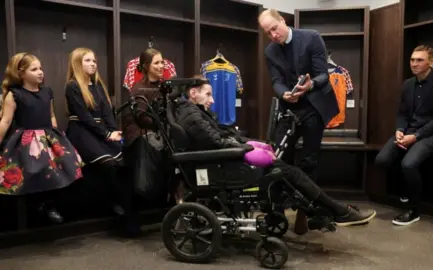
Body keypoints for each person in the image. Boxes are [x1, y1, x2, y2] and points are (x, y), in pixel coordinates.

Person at [175, 76, 376, 229]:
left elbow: (222, 135)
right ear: (193, 93)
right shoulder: (192, 116)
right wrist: (248, 148)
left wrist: (251, 143)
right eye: (208, 94)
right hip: (219, 166)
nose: (212, 99)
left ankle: (328, 210)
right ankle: (337, 211)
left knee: (287, 173)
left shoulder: (195, 112)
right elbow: (218, 141)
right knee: (289, 173)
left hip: (223, 161)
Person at [258, 8, 340, 234]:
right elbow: (276, 81)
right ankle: (277, 212)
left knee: (309, 161)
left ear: (282, 21)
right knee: (278, 157)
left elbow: (323, 75)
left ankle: (305, 213)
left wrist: (309, 85)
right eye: (268, 32)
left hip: (314, 105)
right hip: (289, 106)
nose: (273, 35)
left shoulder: (311, 37)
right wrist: (284, 93)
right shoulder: (270, 51)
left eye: (274, 28)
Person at [375, 45, 433, 226]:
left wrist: (416, 136)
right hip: (410, 131)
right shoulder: (407, 84)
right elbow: (402, 113)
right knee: (382, 160)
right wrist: (400, 130)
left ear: (431, 62)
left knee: (409, 164)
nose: (414, 63)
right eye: (412, 60)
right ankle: (405, 190)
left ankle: (414, 210)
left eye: (419, 60)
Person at [0, 52, 83, 224]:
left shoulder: (47, 92)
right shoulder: (15, 94)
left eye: (40, 68)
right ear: (21, 73)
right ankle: (38, 205)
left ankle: (50, 204)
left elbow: (51, 115)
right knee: (35, 168)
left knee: (65, 163)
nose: (40, 72)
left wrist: (56, 136)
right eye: (34, 69)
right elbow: (6, 121)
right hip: (26, 140)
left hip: (48, 136)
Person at [64, 47, 134, 235]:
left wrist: (114, 131)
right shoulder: (72, 86)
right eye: (87, 61)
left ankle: (126, 214)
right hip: (81, 131)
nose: (93, 64)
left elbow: (107, 113)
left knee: (125, 164)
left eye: (94, 61)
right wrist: (106, 134)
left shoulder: (97, 86)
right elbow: (84, 117)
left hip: (99, 131)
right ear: (78, 63)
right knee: (110, 164)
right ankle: (117, 207)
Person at [121, 48, 169, 207]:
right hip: (140, 135)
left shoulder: (165, 87)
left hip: (157, 132)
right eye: (157, 63)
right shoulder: (139, 88)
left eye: (162, 62)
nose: (161, 66)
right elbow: (141, 117)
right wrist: (163, 124)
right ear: (147, 66)